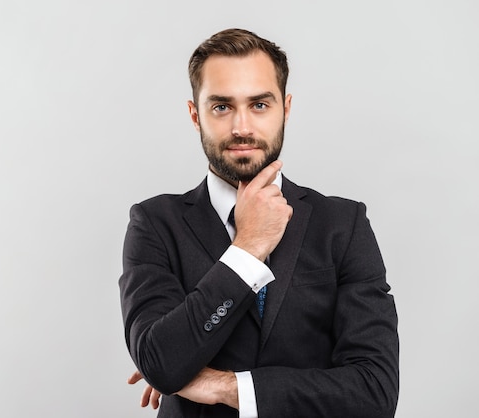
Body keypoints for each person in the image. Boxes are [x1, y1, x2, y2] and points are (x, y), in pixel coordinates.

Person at [119, 28, 399, 418]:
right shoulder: (154, 224)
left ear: (285, 108)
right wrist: (248, 248)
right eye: (221, 107)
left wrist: (228, 387)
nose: (242, 127)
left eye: (259, 105)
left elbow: (374, 391)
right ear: (194, 114)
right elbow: (161, 362)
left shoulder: (343, 224)